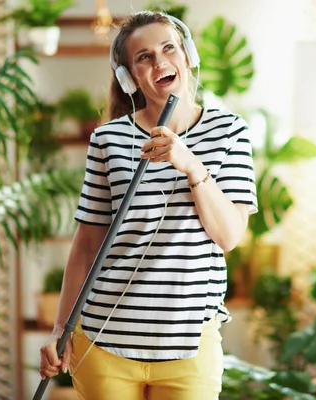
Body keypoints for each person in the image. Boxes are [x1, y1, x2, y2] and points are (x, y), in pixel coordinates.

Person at [39, 10, 257, 400]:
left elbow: (228, 236)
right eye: (144, 57)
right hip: (104, 343)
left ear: (187, 55)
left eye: (168, 48)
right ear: (129, 78)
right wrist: (60, 330)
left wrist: (190, 163)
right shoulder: (108, 140)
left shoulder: (230, 131)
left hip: (189, 346)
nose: (160, 62)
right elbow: (88, 242)